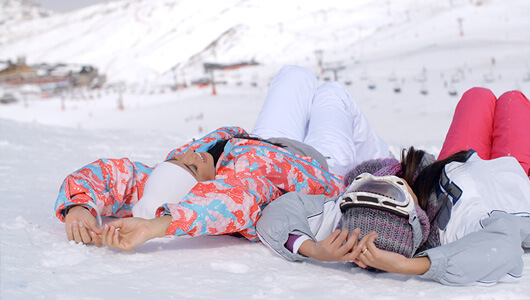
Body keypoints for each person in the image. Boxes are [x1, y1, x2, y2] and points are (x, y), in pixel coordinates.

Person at [55, 65, 390, 251]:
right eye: (191, 167)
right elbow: (229, 203)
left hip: (264, 140)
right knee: (333, 94)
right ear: (205, 187)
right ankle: (386, 164)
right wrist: (156, 227)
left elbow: (116, 175)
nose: (194, 154)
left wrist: (80, 206)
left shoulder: (164, 178)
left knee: (295, 74)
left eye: (180, 159)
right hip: (322, 162)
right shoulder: (238, 189)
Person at [256, 87, 530, 285]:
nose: (386, 180)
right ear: (414, 219)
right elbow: (502, 248)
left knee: (476, 97)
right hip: (514, 179)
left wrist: (313, 248)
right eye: (391, 192)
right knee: (515, 102)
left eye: (367, 187)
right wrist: (411, 266)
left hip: (455, 164)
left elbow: (277, 213)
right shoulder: (454, 229)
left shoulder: (346, 221)